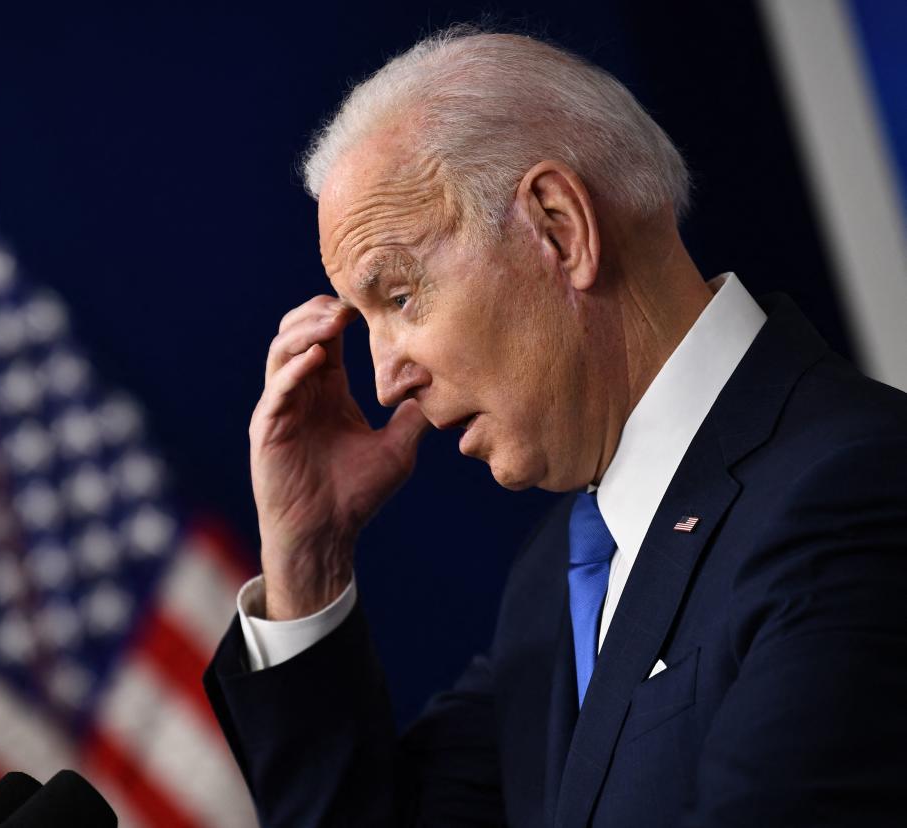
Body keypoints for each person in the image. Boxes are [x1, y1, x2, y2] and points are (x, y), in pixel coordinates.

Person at [203, 27, 907, 827]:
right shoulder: (560, 578)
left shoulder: (856, 492)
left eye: (399, 298)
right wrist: (308, 562)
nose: (386, 380)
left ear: (559, 228)